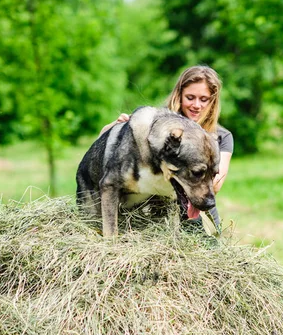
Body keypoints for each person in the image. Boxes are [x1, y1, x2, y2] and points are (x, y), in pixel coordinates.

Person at [99, 65, 233, 229]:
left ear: (212, 101)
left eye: (203, 99)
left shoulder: (221, 136)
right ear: (180, 95)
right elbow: (102, 138)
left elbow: (216, 186)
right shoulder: (157, 127)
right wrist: (119, 126)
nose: (196, 105)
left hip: (197, 216)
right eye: (190, 97)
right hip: (153, 214)